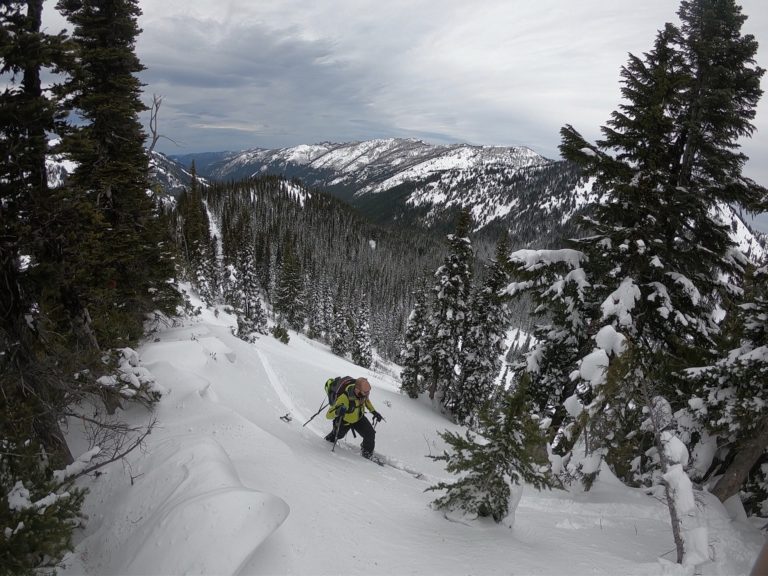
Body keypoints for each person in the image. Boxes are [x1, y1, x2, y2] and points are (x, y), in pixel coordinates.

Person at [324, 377, 383, 458]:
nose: (366, 395)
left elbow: (366, 401)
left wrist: (374, 412)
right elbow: (328, 415)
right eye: (365, 393)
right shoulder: (344, 398)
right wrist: (337, 412)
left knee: (370, 434)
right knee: (338, 435)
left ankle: (367, 453)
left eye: (367, 393)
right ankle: (327, 441)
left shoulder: (362, 394)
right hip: (344, 420)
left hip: (358, 418)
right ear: (357, 390)